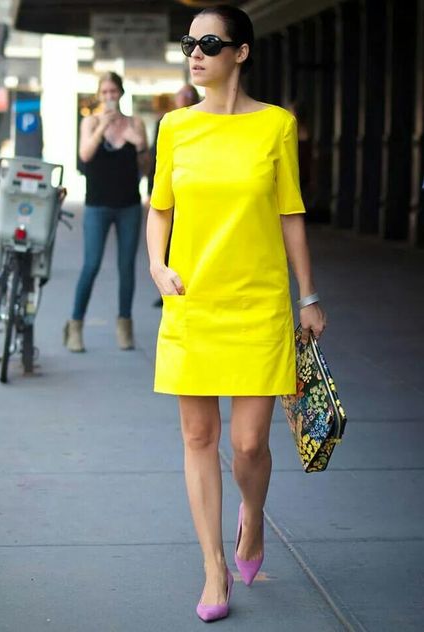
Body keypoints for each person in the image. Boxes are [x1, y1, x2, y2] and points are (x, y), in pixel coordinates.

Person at [146, 4, 326, 623]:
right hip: (192, 301)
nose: (196, 52)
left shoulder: (276, 126)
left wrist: (308, 295)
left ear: (241, 53)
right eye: (189, 43)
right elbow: (160, 207)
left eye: (211, 42)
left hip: (258, 304)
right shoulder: (173, 127)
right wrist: (154, 264)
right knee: (199, 436)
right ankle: (213, 567)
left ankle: (252, 524)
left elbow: (290, 213)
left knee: (250, 446)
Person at [64, 72, 149, 352]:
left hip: (128, 205)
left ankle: (125, 324)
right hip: (97, 204)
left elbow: (147, 167)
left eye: (114, 92)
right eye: (105, 92)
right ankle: (75, 325)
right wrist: (103, 126)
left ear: (121, 93)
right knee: (91, 265)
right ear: (99, 96)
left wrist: (138, 142)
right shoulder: (89, 122)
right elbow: (85, 155)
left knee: (127, 268)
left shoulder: (135, 123)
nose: (110, 97)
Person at [148, 84, 200, 308]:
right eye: (182, 96)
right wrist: (152, 190)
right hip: (172, 191)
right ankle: (169, 283)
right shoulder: (169, 123)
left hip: (195, 195)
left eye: (189, 96)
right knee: (168, 238)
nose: (185, 100)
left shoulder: (203, 122)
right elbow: (156, 160)